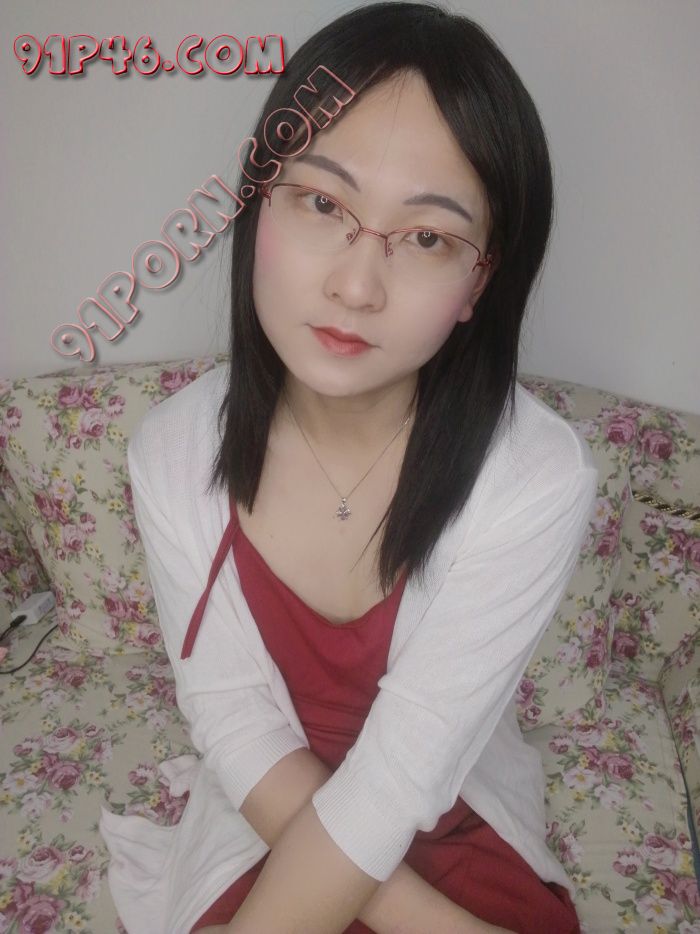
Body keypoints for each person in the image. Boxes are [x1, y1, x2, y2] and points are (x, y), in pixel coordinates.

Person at [99, 3, 599, 932]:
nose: (356, 288)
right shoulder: (171, 450)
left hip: (449, 807)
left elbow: (407, 769)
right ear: (260, 199)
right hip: (263, 806)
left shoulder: (534, 476)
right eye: (324, 204)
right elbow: (233, 717)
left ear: (478, 282)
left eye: (428, 238)